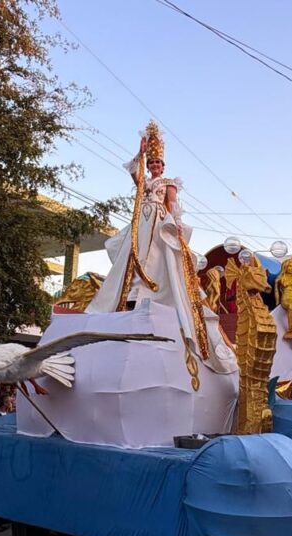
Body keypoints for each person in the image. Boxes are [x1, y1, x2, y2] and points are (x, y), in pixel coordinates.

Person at [85, 121, 236, 376]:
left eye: (157, 163)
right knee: (134, 257)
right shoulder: (144, 181)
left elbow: (174, 206)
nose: (154, 166)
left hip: (158, 223)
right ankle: (131, 289)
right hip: (141, 224)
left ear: (163, 166)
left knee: (160, 259)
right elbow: (133, 172)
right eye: (151, 163)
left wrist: (177, 226)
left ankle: (154, 292)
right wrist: (140, 151)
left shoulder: (168, 183)